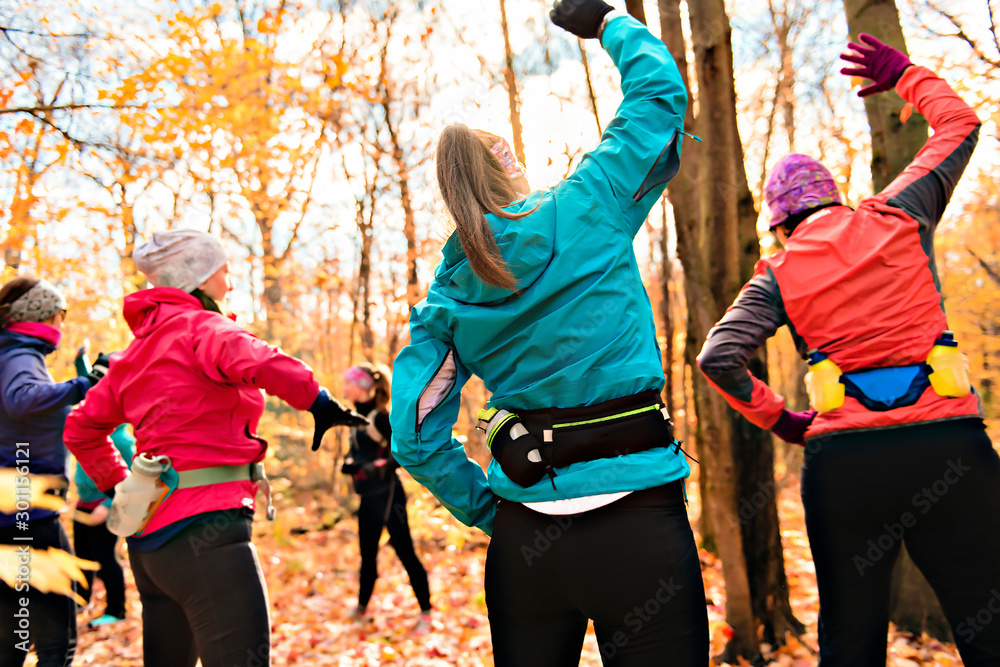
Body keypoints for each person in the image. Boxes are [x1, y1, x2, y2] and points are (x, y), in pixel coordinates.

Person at [390, 2, 707, 665]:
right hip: (639, 524)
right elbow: (659, 97)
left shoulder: (445, 296)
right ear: (507, 163)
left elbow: (415, 436)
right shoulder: (588, 201)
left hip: (523, 546)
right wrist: (607, 23)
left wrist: (491, 510)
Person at [697, 34, 1000, 666]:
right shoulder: (901, 212)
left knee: (850, 637)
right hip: (948, 447)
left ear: (780, 223)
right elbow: (960, 124)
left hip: (846, 465)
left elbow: (718, 357)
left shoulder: (778, 271)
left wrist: (782, 418)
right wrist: (904, 73)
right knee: (988, 619)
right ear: (832, 197)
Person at [62, 229, 368, 667]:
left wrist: (123, 488)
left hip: (151, 549)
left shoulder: (133, 354)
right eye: (224, 272)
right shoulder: (203, 328)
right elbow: (266, 362)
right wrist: (318, 403)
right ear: (200, 279)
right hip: (207, 535)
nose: (230, 283)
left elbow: (80, 429)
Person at [0, 276, 104, 667]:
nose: (62, 325)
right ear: (41, 316)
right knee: (57, 643)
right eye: (60, 316)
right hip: (31, 515)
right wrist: (82, 385)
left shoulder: (9, 354)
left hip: (12, 512)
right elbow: (22, 402)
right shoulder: (20, 357)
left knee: (11, 641)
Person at [341, 363, 432, 634]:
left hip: (390, 496)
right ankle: (362, 607)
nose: (345, 388)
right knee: (367, 555)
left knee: (405, 553)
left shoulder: (382, 418)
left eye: (349, 383)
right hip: (368, 498)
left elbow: (401, 455)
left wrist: (377, 468)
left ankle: (426, 613)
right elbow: (358, 453)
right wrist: (351, 464)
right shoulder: (354, 420)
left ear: (363, 387)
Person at [71, 345, 134, 628]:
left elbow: (133, 477)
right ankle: (81, 602)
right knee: (82, 558)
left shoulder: (120, 438)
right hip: (83, 505)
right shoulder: (91, 421)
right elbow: (91, 386)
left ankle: (117, 611)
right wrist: (79, 359)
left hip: (103, 507)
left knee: (107, 559)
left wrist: (108, 505)